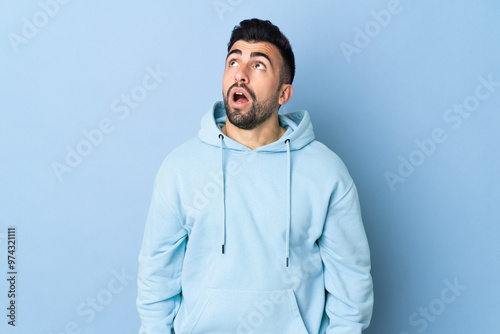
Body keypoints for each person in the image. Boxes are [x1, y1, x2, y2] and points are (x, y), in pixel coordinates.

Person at [137, 18, 373, 334]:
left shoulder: (326, 172)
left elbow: (351, 286)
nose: (241, 73)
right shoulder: (179, 167)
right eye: (233, 61)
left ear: (283, 93)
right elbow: (156, 278)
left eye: (258, 65)